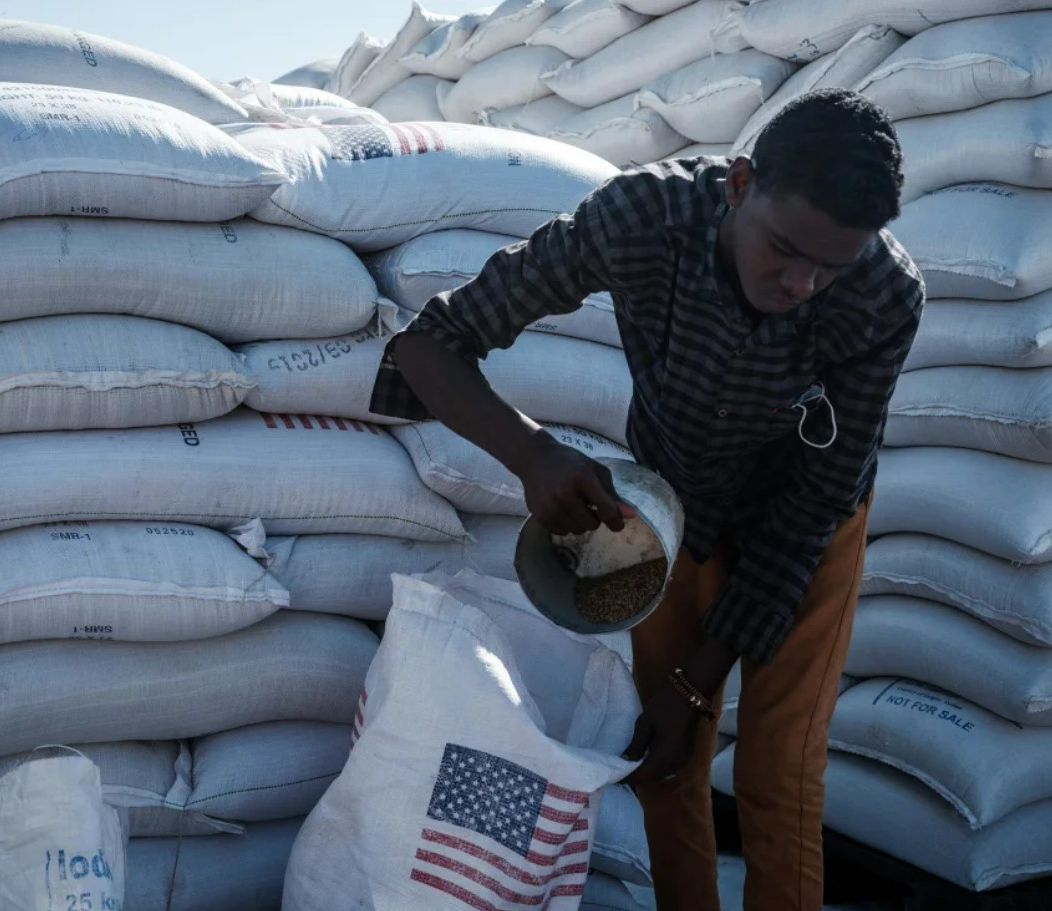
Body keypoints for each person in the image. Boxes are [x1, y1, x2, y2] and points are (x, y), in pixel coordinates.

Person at [369, 88, 923, 911]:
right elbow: (429, 345)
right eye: (783, 250)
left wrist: (700, 680)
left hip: (807, 525)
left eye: (828, 267)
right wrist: (532, 454)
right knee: (669, 761)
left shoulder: (883, 296)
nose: (802, 282)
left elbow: (812, 511)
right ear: (739, 184)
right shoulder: (641, 217)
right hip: (670, 509)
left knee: (778, 771)